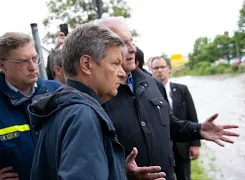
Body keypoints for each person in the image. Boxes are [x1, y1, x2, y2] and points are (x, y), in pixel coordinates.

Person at [97, 17, 240, 180]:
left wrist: (198, 129)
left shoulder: (152, 83)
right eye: (122, 43)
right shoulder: (95, 94)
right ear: (101, 49)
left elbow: (169, 124)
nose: (132, 49)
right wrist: (122, 171)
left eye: (131, 41)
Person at [28, 23, 166, 180]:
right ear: (86, 64)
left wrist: (117, 172)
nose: (122, 73)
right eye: (115, 63)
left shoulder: (62, 106)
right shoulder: (83, 115)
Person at [0, 32, 61, 180]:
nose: (33, 67)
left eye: (35, 59)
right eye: (23, 61)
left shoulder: (58, 92)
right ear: (2, 65)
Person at [151, 56, 200, 180]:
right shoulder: (148, 93)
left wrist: (195, 144)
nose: (159, 70)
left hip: (182, 146)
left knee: (184, 176)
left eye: (162, 67)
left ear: (169, 69)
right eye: (156, 68)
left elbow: (192, 116)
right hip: (161, 148)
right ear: (151, 70)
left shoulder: (182, 89)